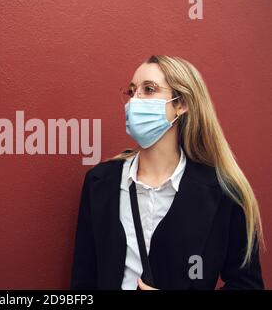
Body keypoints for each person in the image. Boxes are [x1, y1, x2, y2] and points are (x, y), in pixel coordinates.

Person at [71, 55, 264, 290]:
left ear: (181, 104)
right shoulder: (100, 182)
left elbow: (247, 284)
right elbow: (83, 280)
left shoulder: (225, 193)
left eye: (149, 89)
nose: (135, 101)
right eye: (132, 92)